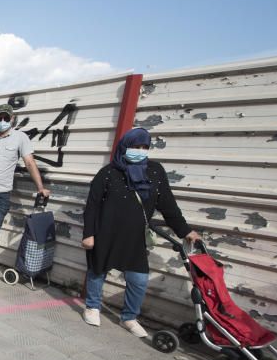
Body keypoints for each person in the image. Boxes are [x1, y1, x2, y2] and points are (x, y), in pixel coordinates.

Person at [82, 128, 201, 337]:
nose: (140, 151)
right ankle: (92, 307)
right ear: (125, 147)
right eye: (135, 147)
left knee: (138, 279)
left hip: (135, 237)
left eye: (145, 147)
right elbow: (92, 205)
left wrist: (185, 231)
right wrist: (89, 233)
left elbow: (168, 205)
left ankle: (129, 317)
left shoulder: (155, 171)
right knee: (98, 270)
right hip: (105, 232)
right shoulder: (109, 172)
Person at [0, 103, 50, 286]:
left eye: (6, 118)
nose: (2, 121)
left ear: (12, 119)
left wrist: (40, 187)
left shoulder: (21, 138)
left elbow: (29, 163)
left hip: (1, 193)